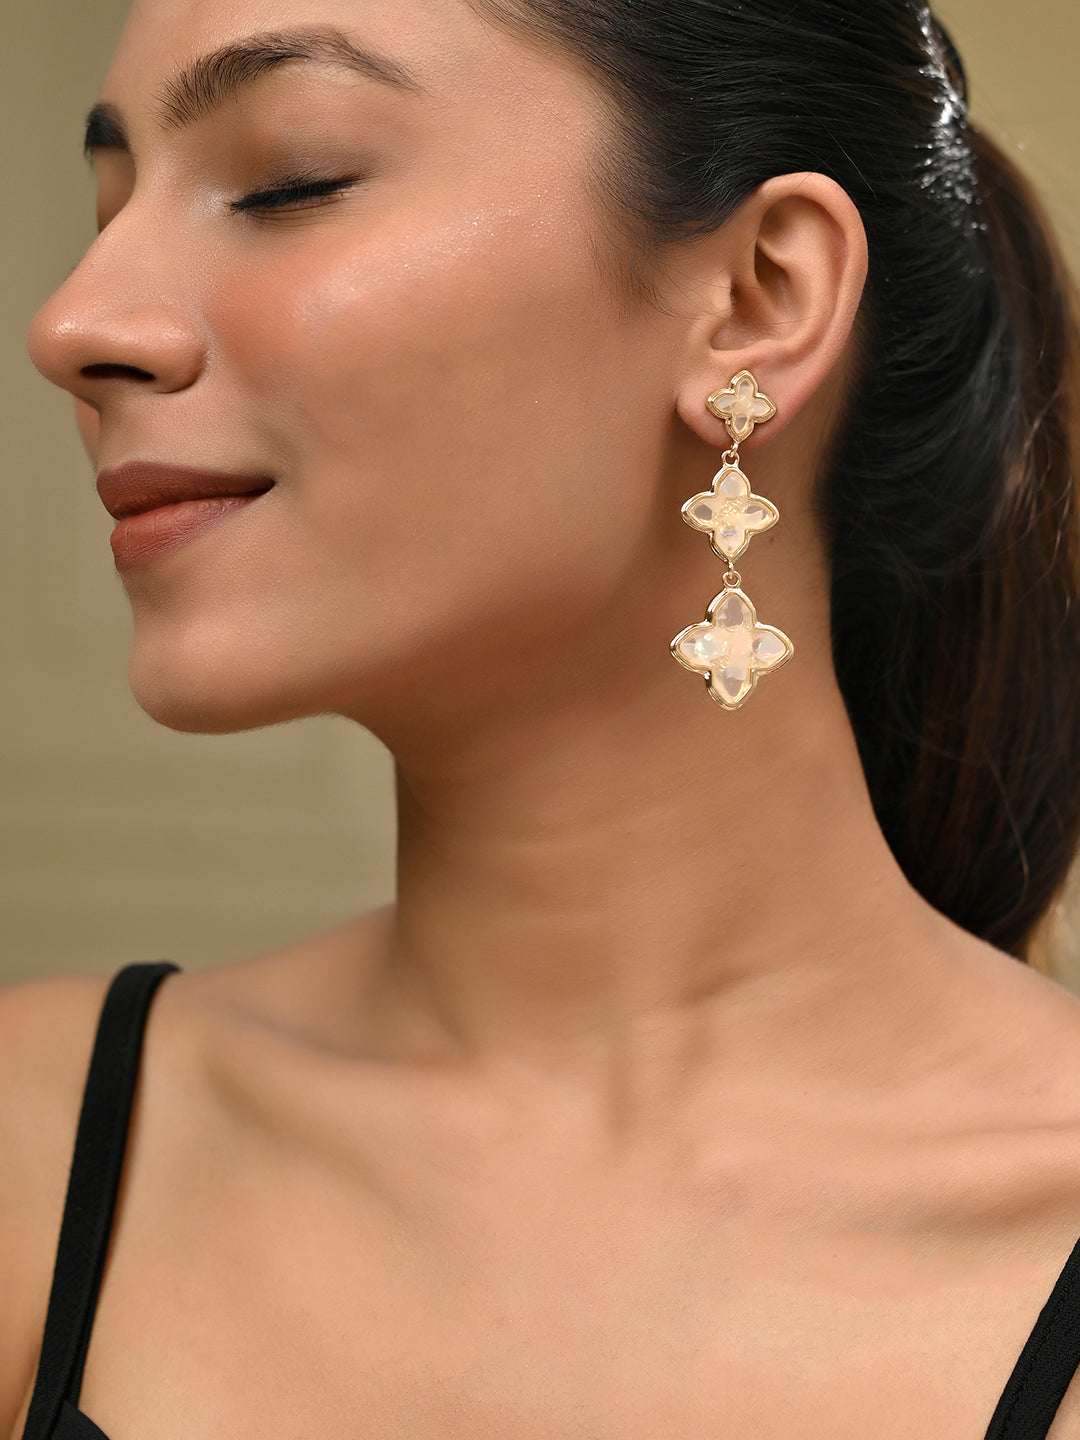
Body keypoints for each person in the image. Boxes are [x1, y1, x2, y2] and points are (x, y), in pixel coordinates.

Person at [4, 0, 1080, 1435]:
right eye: (111, 207)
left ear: (760, 298)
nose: (73, 324)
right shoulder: (36, 1151)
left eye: (291, 181)